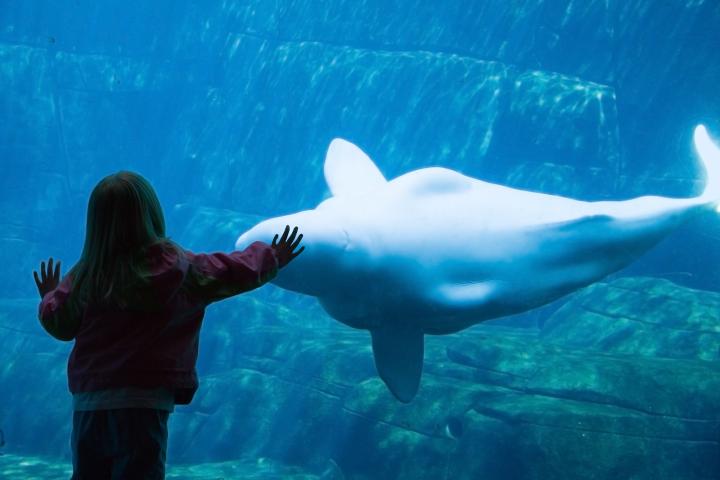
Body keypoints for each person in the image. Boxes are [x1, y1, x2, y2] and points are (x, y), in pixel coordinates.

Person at [33, 171, 304, 480]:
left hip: (90, 404)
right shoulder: (180, 269)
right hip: (144, 404)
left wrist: (50, 297)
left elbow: (61, 325)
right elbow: (230, 270)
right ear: (152, 214)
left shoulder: (85, 276)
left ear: (94, 225)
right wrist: (272, 257)